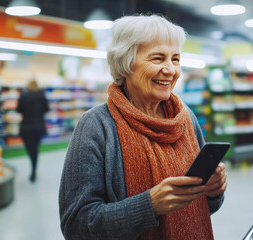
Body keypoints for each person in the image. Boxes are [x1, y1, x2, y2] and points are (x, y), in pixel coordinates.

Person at [59, 14, 227, 240]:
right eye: (158, 58)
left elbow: (204, 207)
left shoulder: (185, 119)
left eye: (175, 59)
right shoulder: (96, 126)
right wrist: (149, 205)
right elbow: (76, 225)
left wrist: (213, 192)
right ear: (125, 63)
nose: (170, 70)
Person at [16, 79, 49, 182]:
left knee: (29, 148)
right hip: (39, 126)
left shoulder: (24, 95)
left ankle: (33, 166)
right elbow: (47, 109)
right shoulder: (42, 95)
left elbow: (18, 109)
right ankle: (34, 169)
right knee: (35, 148)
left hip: (26, 126)